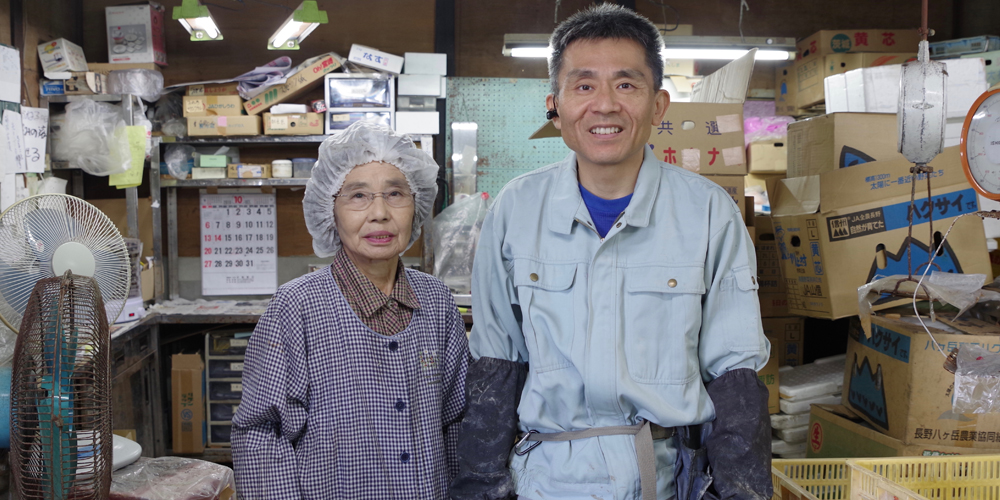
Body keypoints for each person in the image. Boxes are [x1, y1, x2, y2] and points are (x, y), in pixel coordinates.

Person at [450, 4, 771, 500]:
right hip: (545, 482)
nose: (604, 105)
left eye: (626, 84)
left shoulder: (709, 214)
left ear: (658, 105)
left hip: (664, 480)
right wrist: (482, 488)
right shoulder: (517, 209)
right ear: (554, 105)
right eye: (583, 86)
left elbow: (735, 377)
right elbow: (496, 362)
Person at [232, 121, 470, 499]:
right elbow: (262, 434)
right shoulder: (297, 308)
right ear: (331, 210)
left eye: (395, 193)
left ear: (417, 205)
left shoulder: (437, 302)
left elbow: (456, 421)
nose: (379, 213)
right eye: (358, 196)